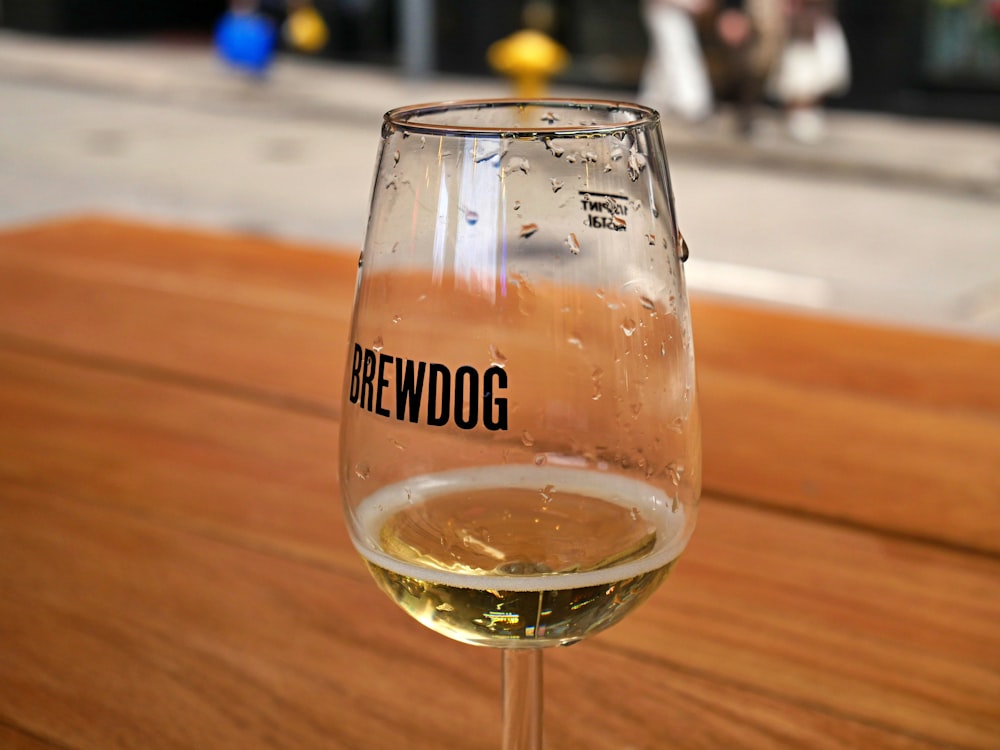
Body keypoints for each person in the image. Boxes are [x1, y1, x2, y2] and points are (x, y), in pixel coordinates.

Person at [766, 0, 851, 143]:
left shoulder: (826, 27)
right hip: (794, 34)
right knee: (793, 78)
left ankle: (807, 114)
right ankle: (795, 115)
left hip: (816, 34)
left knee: (816, 78)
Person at [714, 0, 786, 137]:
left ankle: (754, 113)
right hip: (751, 18)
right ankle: (746, 114)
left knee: (766, 66)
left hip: (772, 19)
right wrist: (733, 11)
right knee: (749, 67)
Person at [639, 0, 715, 123]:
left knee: (666, 56)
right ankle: (691, 101)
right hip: (665, 10)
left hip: (673, 10)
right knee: (678, 53)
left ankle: (654, 100)